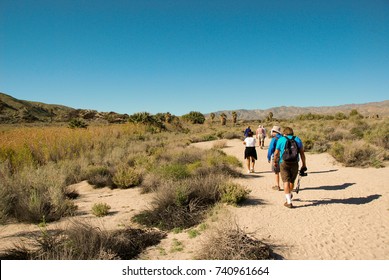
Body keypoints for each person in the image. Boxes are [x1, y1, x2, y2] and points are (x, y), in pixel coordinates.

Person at [273, 127, 307, 208]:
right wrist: (304, 164)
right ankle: (289, 194)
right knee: (292, 180)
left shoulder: (281, 140)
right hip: (295, 162)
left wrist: (275, 161)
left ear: (284, 133)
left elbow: (276, 153)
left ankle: (289, 201)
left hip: (283, 162)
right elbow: (302, 153)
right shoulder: (297, 139)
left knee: (285, 181)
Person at [267, 125, 282, 191]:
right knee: (284, 172)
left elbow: (271, 148)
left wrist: (268, 157)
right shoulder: (283, 138)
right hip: (284, 157)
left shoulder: (274, 139)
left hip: (276, 157)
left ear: (275, 132)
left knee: (276, 172)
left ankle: (277, 185)